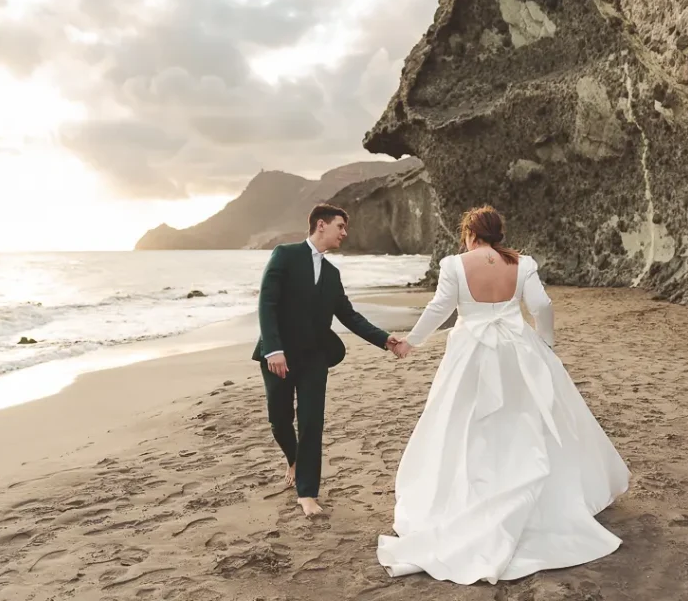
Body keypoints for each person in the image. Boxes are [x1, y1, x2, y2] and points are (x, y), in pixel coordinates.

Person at [377, 205, 630, 584]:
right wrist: (545, 343)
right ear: (499, 233)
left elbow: (439, 309)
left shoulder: (454, 264)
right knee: (528, 419)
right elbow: (542, 305)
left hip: (472, 355)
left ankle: (476, 493)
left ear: (470, 234)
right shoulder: (522, 263)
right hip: (518, 350)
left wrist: (410, 343)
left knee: (466, 424)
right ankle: (541, 497)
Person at [253, 204, 402, 517]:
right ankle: (293, 458)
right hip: (277, 355)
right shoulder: (284, 254)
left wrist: (384, 339)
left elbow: (348, 315)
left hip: (314, 358)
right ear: (320, 225)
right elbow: (267, 303)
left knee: (311, 422)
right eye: (340, 227)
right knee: (279, 419)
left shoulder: (333, 274)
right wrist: (273, 349)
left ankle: (307, 493)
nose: (344, 234)